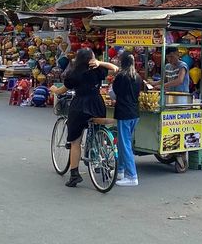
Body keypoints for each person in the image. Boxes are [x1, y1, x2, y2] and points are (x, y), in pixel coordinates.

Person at [57, 48, 118, 188]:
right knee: (98, 130)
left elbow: (62, 90)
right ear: (91, 58)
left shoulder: (74, 74)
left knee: (75, 141)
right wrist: (100, 62)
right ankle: (101, 157)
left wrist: (54, 90)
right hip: (97, 105)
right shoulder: (98, 70)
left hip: (80, 106)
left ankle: (74, 175)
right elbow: (115, 68)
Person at [113, 53, 142, 187]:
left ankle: (132, 176)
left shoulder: (120, 77)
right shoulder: (138, 77)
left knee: (125, 145)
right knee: (124, 143)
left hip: (124, 113)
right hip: (134, 113)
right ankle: (120, 170)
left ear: (122, 63)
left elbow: (114, 94)